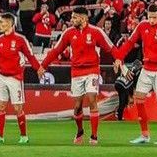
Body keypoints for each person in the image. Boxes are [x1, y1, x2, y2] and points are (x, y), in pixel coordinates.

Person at [39, 9, 116, 145]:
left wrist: (119, 59)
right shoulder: (68, 33)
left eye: (75, 18)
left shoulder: (96, 32)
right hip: (76, 72)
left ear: (83, 19)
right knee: (77, 106)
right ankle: (80, 130)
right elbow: (56, 50)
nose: (72, 20)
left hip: (92, 70)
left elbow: (110, 47)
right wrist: (43, 65)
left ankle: (94, 136)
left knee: (92, 99)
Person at [113, 3, 157, 145]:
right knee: (138, 99)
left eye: (154, 17)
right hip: (146, 68)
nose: (151, 20)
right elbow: (129, 43)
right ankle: (145, 135)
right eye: (149, 17)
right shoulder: (142, 26)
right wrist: (119, 58)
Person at [0, 11, 41, 145]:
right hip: (1, 77)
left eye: (2, 22)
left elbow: (30, 55)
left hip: (15, 78)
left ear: (10, 24)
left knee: (17, 108)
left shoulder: (20, 40)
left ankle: (24, 136)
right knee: (0, 106)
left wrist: (38, 68)